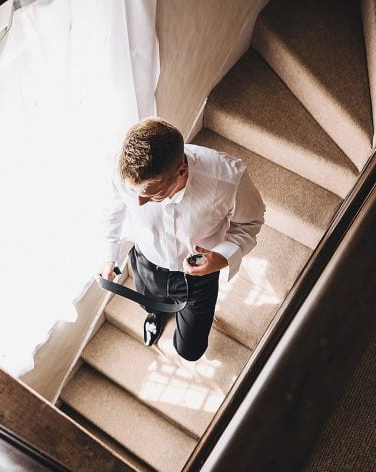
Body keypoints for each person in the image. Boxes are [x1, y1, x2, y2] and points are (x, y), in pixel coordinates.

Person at [100, 118, 265, 361]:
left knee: (190, 350)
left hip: (197, 277)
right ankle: (155, 314)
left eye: (151, 195)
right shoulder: (120, 167)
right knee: (150, 305)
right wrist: (109, 255)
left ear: (181, 171)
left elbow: (251, 221)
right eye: (135, 193)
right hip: (146, 261)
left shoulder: (229, 179)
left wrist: (221, 258)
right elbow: (112, 209)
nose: (139, 203)